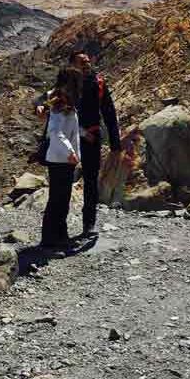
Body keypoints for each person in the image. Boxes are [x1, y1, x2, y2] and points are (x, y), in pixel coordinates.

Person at [70, 51, 121, 235]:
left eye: (87, 61)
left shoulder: (98, 83)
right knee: (64, 180)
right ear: (72, 64)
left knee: (91, 181)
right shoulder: (66, 84)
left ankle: (88, 223)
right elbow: (52, 107)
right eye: (81, 61)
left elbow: (109, 113)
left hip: (92, 138)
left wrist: (115, 144)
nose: (86, 64)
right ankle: (58, 227)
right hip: (69, 138)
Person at [40, 68, 85, 248]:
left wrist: (83, 134)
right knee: (57, 200)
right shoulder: (58, 104)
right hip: (60, 159)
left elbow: (69, 130)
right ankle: (49, 240)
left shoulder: (66, 104)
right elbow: (56, 132)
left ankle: (60, 236)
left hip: (64, 159)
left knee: (62, 199)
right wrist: (70, 152)